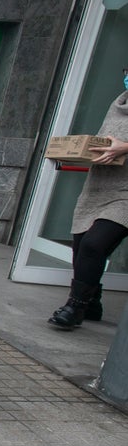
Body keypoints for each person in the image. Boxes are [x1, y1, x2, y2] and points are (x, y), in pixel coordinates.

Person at [47, 88, 128, 329]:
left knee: (95, 244)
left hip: (125, 194)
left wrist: (125, 147)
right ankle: (93, 302)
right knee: (82, 243)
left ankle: (76, 307)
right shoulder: (118, 103)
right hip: (98, 187)